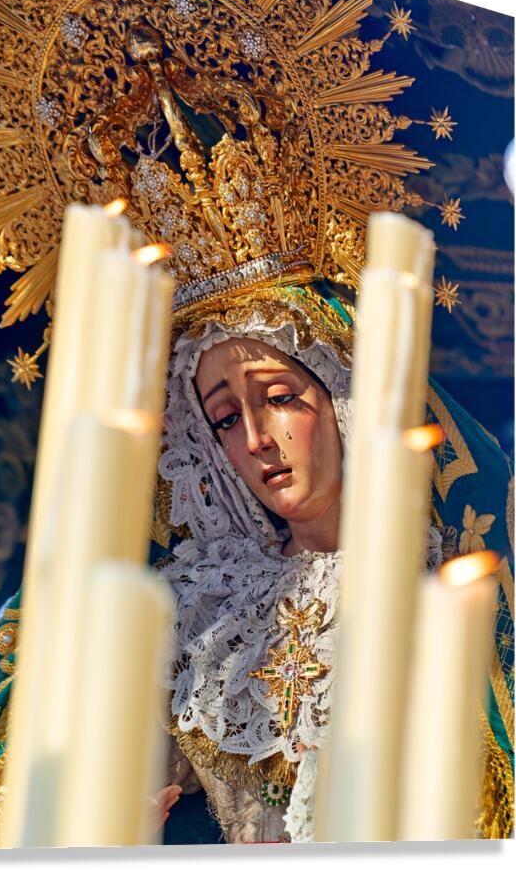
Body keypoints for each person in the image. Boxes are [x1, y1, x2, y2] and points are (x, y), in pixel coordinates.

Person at [151, 281, 513, 843]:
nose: (254, 439)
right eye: (225, 419)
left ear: (343, 397)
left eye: (277, 398)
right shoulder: (205, 605)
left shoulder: (441, 584)